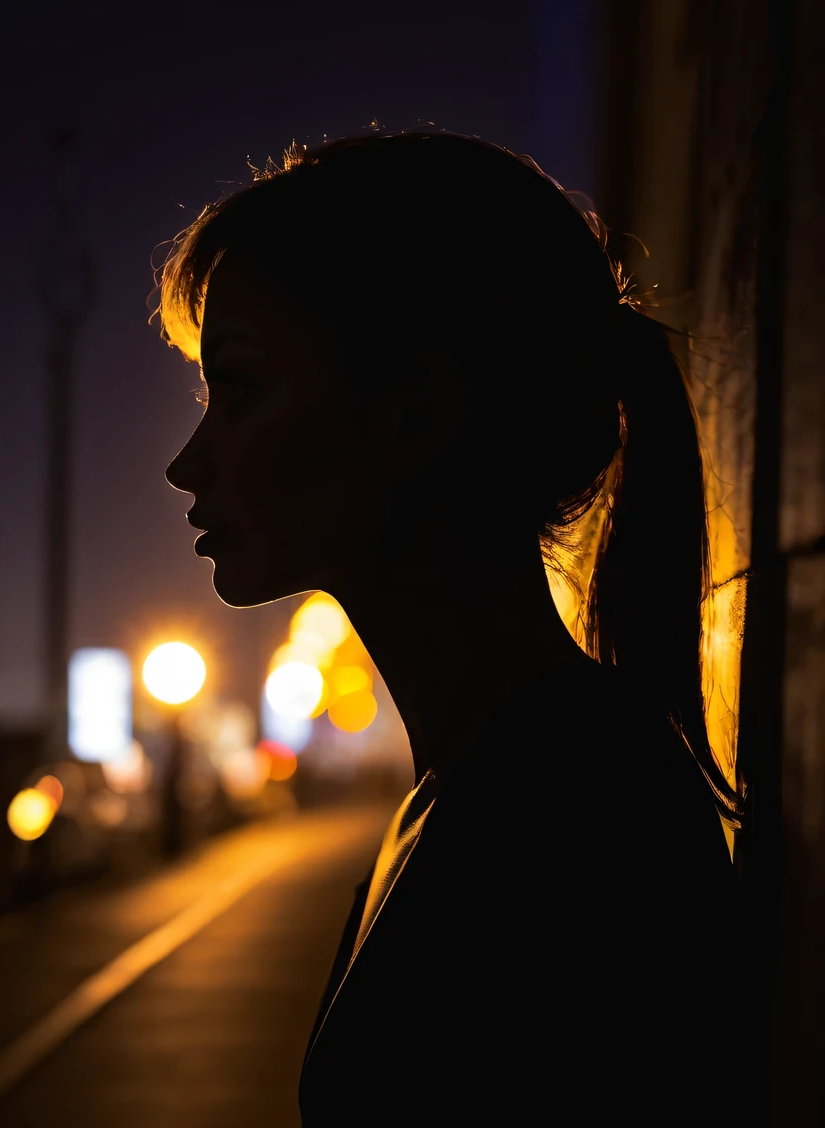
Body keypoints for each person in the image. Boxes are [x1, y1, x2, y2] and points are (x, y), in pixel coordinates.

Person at [157, 131, 744, 1124]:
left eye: (242, 390)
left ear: (416, 411)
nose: (189, 463)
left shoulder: (568, 837)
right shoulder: (510, 783)